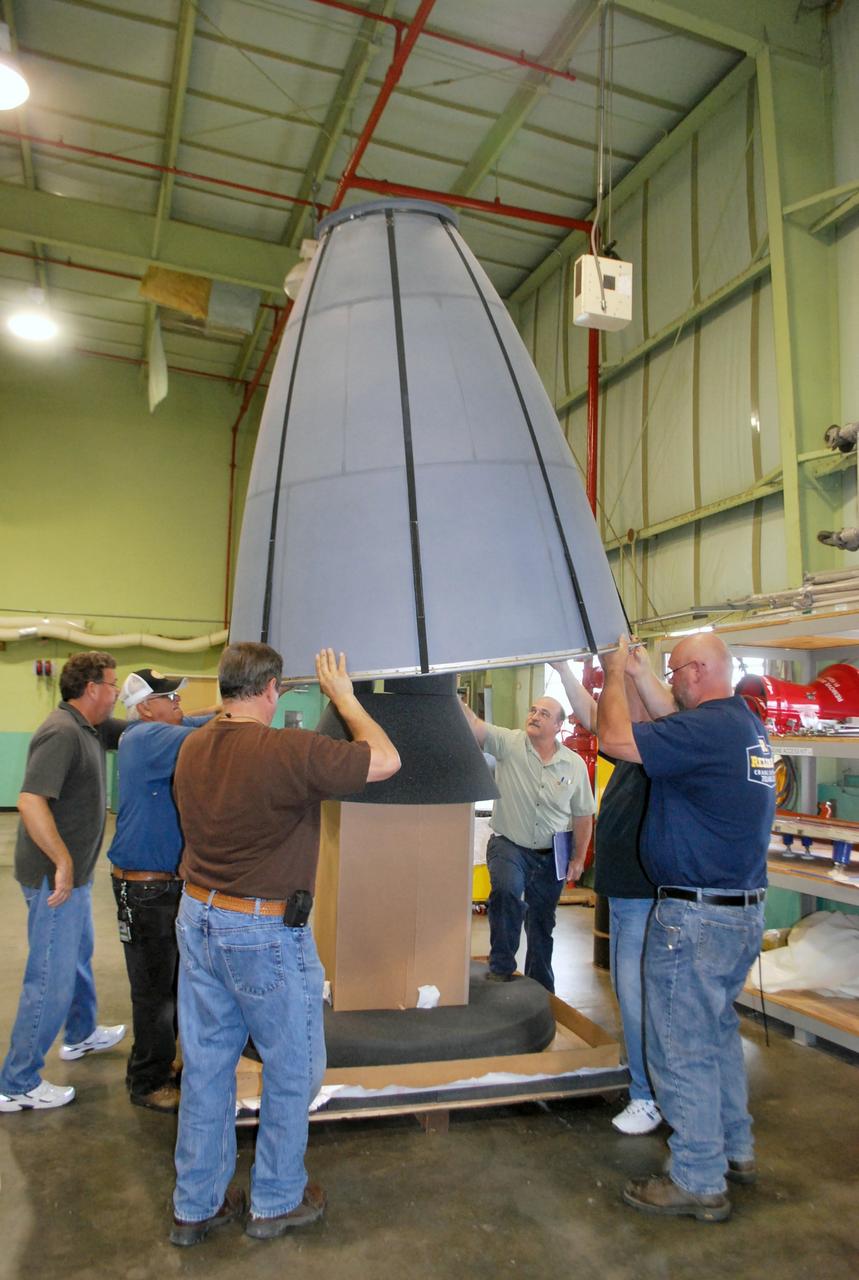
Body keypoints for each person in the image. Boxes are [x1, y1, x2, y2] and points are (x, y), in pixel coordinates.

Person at [169, 643, 400, 1247]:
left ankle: (197, 1205)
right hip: (263, 930)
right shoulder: (288, 751)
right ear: (271, 690)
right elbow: (385, 760)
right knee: (294, 1066)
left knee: (208, 1065)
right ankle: (274, 1199)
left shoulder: (191, 746)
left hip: (198, 917)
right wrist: (345, 698)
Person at [598, 632, 775, 1223]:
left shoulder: (708, 730)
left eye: (676, 673)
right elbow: (675, 715)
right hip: (738, 912)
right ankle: (736, 1148)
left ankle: (698, 1175)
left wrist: (615, 676)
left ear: (698, 671)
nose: (671, 682)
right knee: (717, 1035)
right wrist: (646, 672)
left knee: (682, 1048)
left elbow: (615, 740)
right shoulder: (741, 726)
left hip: (694, 918)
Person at [551, 655, 673, 1136]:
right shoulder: (628, 754)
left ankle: (649, 1096)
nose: (616, 715)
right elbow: (596, 718)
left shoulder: (658, 749)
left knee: (644, 1000)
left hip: (643, 898)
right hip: (623, 895)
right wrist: (564, 671)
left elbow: (606, 721)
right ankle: (646, 1085)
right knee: (630, 997)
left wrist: (621, 670)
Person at [0, 651, 127, 1113]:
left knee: (76, 955)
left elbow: (146, 726)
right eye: (113, 685)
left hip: (71, 878)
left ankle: (79, 1033)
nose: (117, 693)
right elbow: (32, 801)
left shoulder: (92, 728)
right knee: (50, 976)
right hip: (54, 880)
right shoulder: (61, 732)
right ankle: (17, 1081)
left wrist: (214, 712)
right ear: (91, 688)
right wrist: (63, 863)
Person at [107, 668, 218, 1113]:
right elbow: (211, 737)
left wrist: (230, 703)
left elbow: (199, 719)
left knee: (170, 985)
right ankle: (146, 1081)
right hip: (147, 891)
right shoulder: (148, 738)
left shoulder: (154, 732)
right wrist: (246, 708)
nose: (178, 705)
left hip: (161, 887)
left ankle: (162, 1062)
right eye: (169, 698)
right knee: (153, 992)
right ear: (145, 707)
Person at [462, 692, 594, 992]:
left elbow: (584, 815)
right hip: (509, 845)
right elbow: (473, 724)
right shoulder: (509, 743)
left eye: (544, 714)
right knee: (507, 893)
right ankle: (501, 968)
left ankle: (540, 986)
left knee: (542, 920)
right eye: (533, 710)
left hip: (551, 855)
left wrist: (577, 859)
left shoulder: (573, 765)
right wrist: (450, 690)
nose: (534, 716)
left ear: (559, 725)